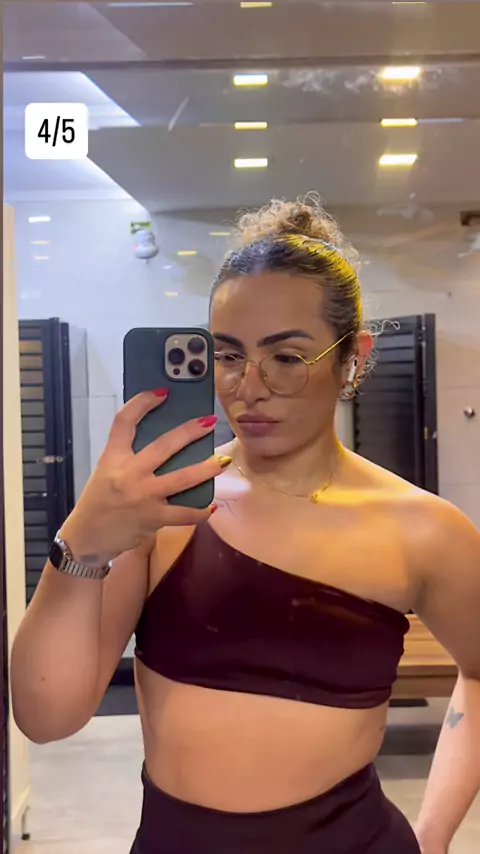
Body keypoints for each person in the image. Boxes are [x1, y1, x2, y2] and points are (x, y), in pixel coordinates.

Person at [11, 198, 480, 854]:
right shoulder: (163, 511)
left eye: (286, 357)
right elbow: (45, 716)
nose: (247, 388)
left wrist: (432, 834)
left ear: (352, 358)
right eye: (227, 355)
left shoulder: (423, 529)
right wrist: (83, 537)